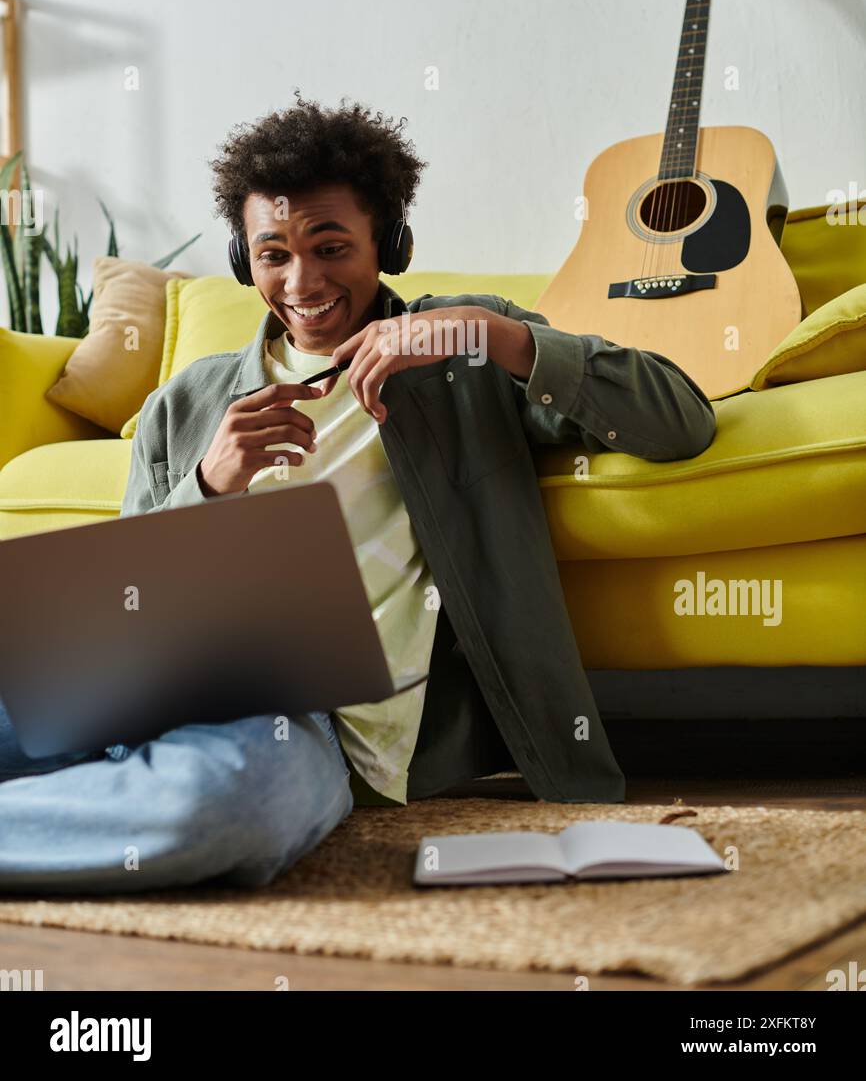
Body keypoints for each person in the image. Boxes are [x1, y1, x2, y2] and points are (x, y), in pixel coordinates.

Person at [0, 94, 716, 894]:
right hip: (159, 690)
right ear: (244, 261)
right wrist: (208, 485)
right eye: (272, 254)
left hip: (299, 728)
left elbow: (679, 419)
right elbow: (120, 618)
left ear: (390, 243)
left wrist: (494, 333)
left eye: (331, 246)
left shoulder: (463, 351)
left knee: (230, 803)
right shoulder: (189, 402)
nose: (302, 280)